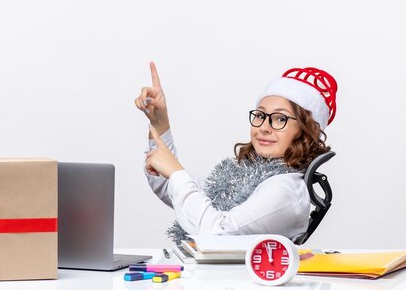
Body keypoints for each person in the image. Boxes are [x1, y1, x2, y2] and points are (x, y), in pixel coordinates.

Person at [134, 62, 337, 242]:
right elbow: (170, 188)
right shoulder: (250, 178)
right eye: (260, 115)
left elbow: (216, 234)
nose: (264, 127)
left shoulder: (285, 191)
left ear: (304, 132)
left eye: (279, 118)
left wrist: (177, 173)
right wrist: (159, 123)